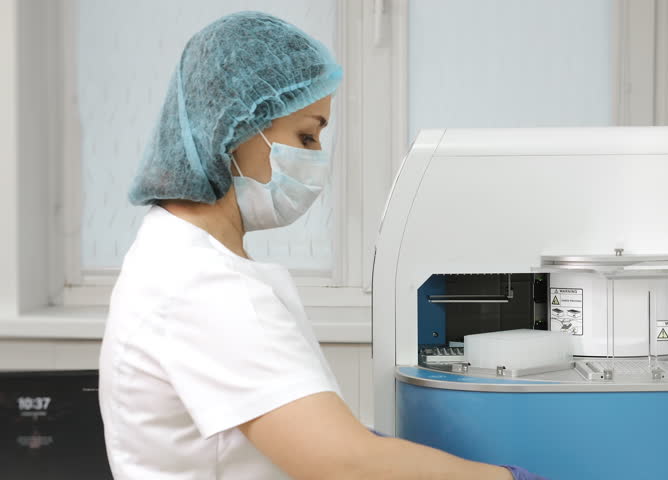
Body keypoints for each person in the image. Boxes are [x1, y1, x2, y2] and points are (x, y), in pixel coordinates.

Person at [98, 11, 546, 480]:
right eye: (306, 135)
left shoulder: (178, 258)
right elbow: (343, 463)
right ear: (231, 128)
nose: (316, 160)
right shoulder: (204, 286)